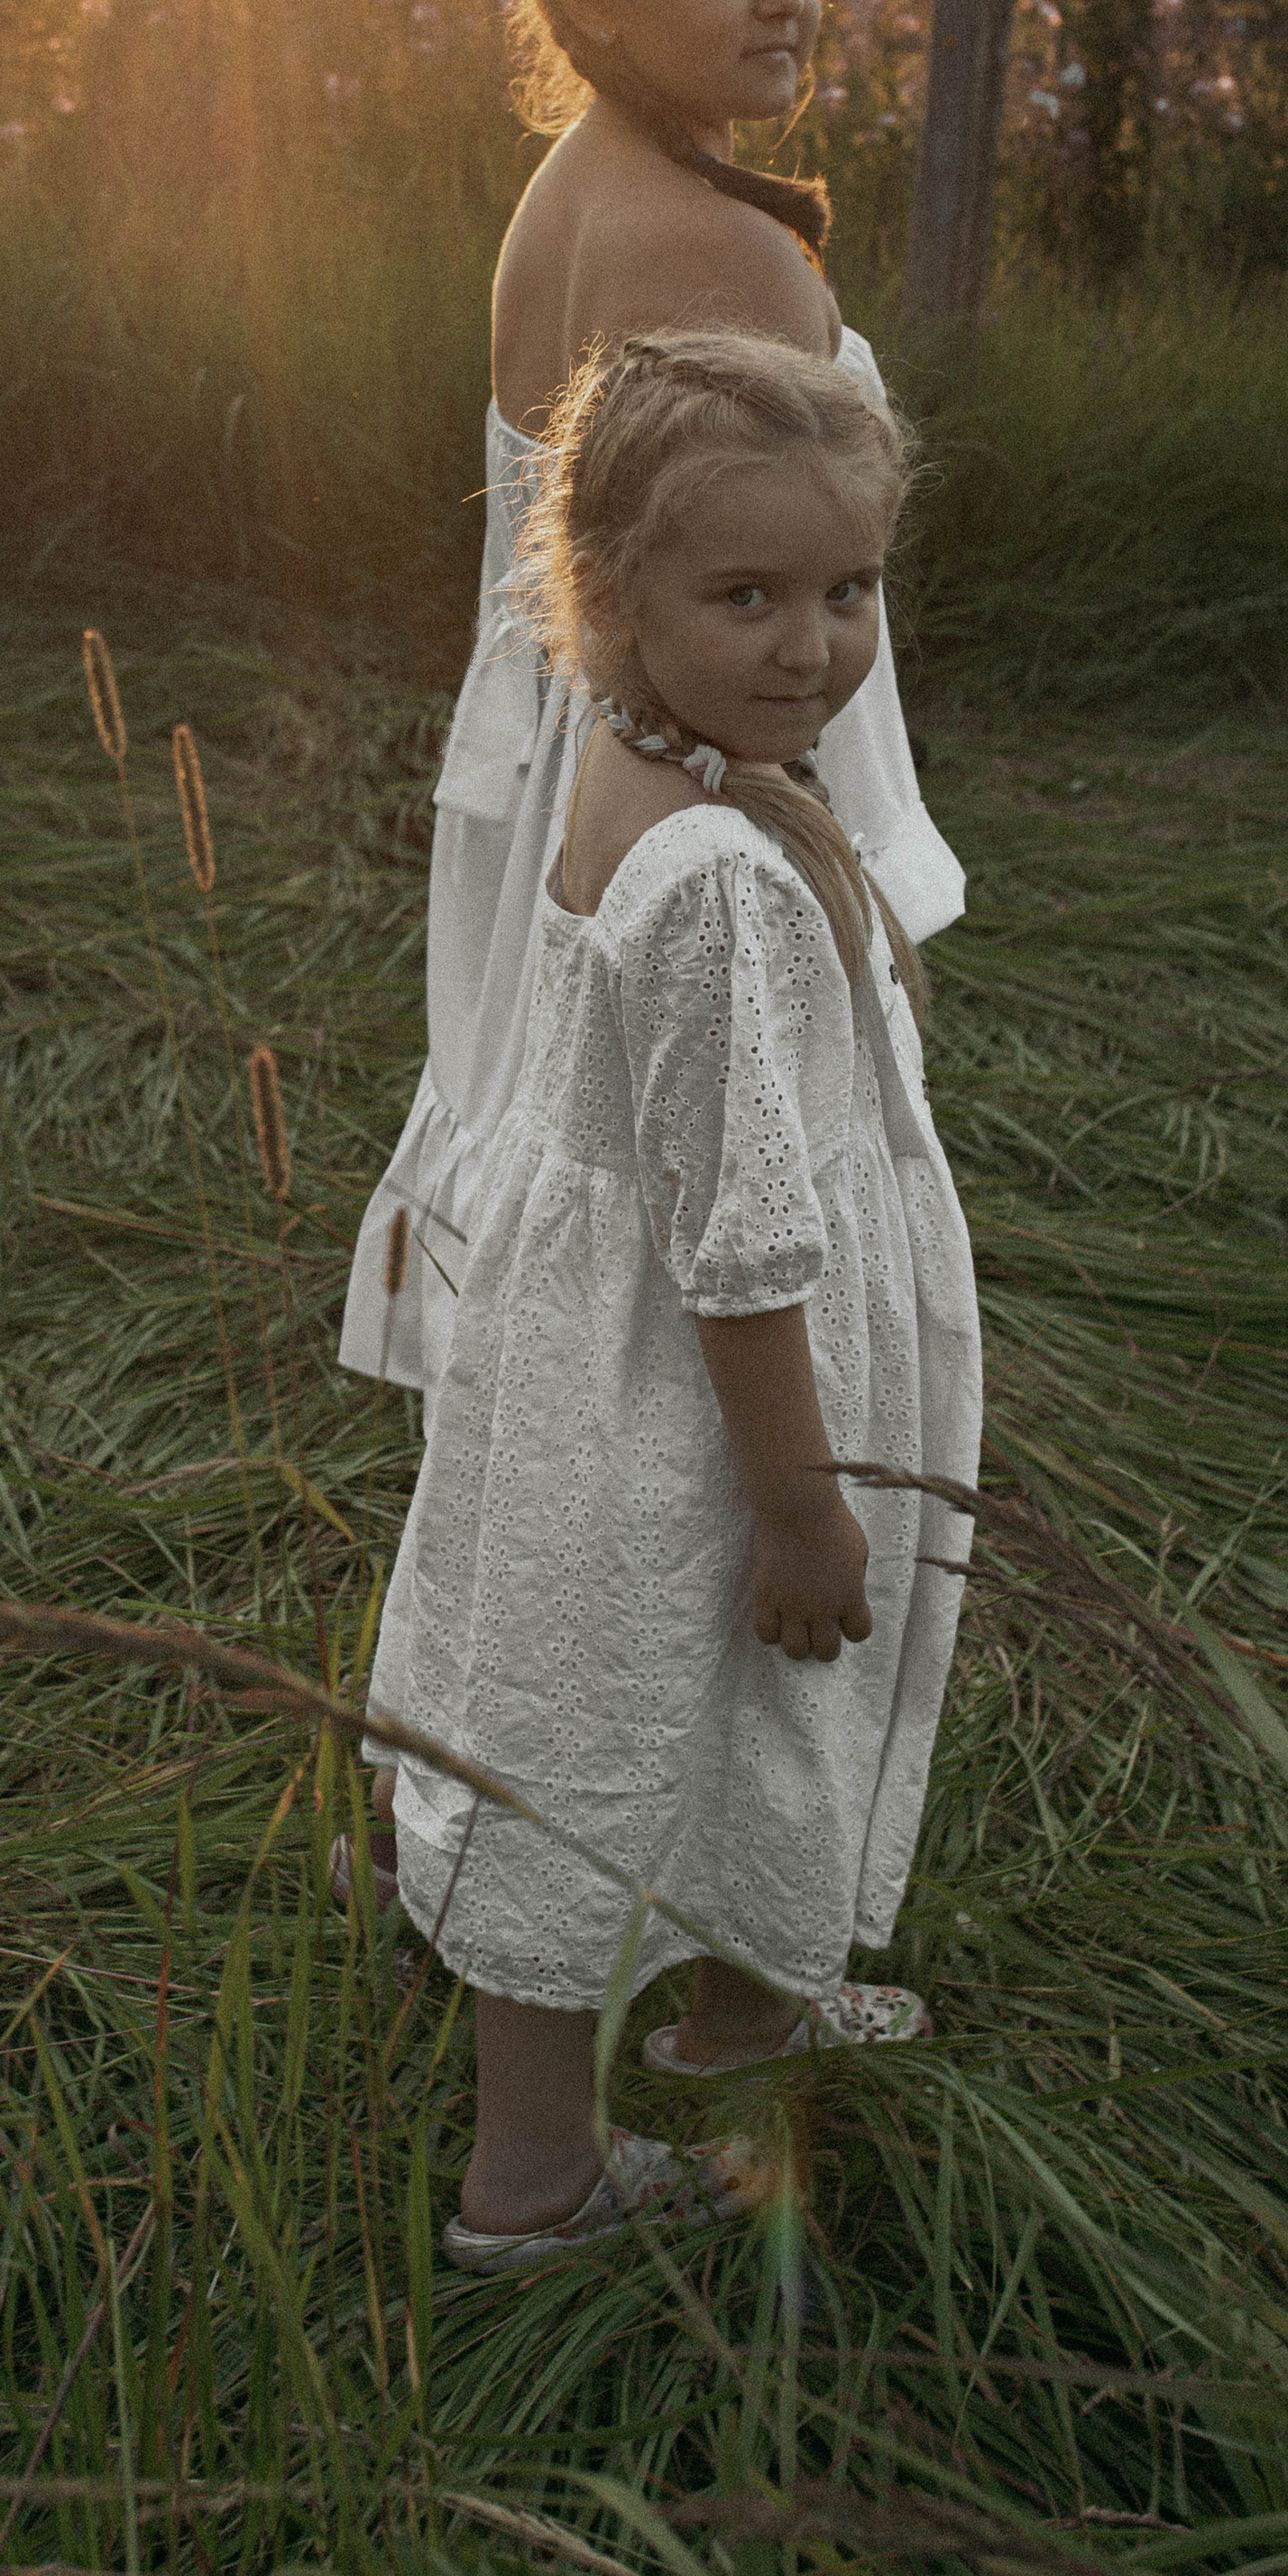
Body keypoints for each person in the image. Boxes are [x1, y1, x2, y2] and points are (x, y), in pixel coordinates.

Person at [365, 331, 982, 2275]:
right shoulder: (713, 867)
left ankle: (743, 2002)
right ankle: (533, 2177)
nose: (811, 645)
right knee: (601, 1726)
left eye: (847, 588)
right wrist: (799, 1500)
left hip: (592, 1346)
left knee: (701, 1697)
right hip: (705, 1391)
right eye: (748, 597)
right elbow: (735, 1237)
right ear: (610, 589)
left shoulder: (643, 753)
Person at [339, 0, 963, 1399]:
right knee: (723, 1174)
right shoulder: (711, 246)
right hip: (700, 759)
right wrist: (792, 824)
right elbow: (750, 589)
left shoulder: (576, 184)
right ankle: (752, 1489)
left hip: (578, 751)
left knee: (583, 1167)